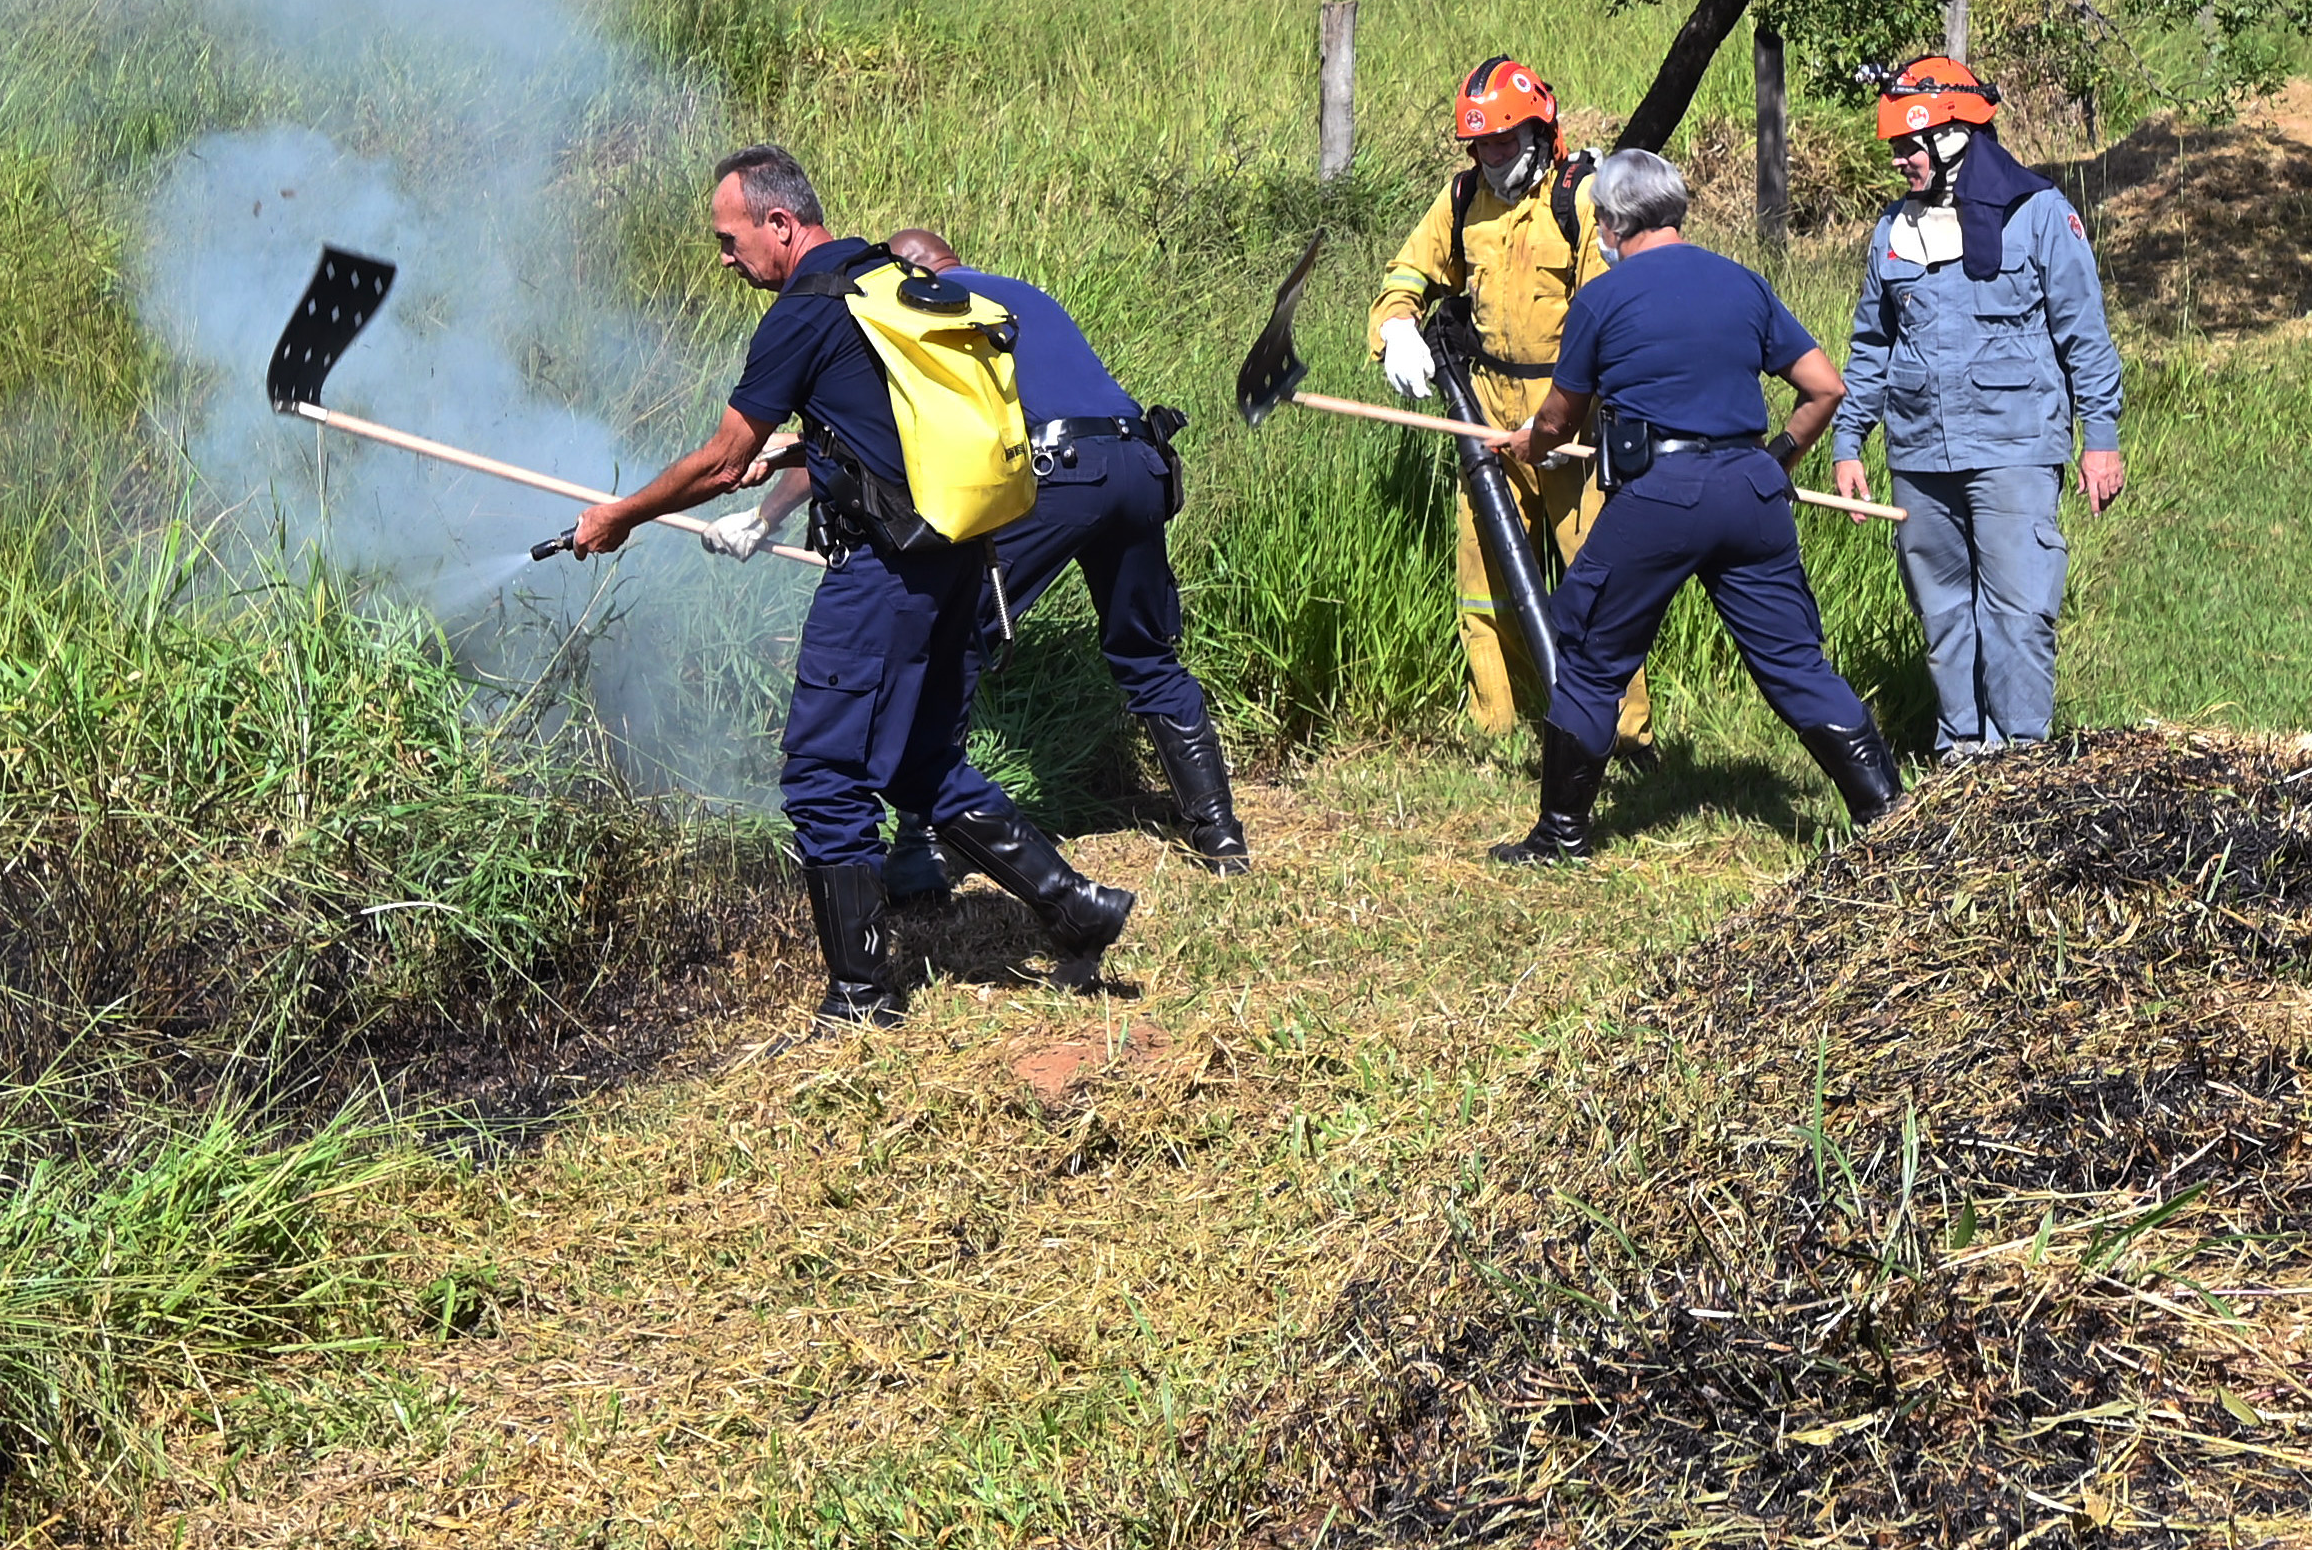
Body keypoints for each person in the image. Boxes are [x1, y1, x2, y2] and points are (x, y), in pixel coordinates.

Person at [568, 147, 1135, 1028]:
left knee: (823, 775)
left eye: (730, 239)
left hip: (886, 568)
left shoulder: (803, 312)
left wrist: (622, 516)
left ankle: (865, 993)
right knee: (915, 760)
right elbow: (882, 423)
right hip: (958, 551)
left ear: (780, 224)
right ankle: (1072, 907)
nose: (725, 258)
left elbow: (721, 462)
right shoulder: (887, 281)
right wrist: (807, 457)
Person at [699, 226, 1251, 882]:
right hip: (1138, 460)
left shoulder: (920, 306)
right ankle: (1219, 833)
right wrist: (789, 451)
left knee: (948, 636)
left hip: (1055, 473)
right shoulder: (1020, 294)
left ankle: (923, 849)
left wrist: (765, 517)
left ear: (911, 271)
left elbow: (861, 437)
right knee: (1144, 649)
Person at [1486, 150, 1902, 863]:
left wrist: (1532, 444)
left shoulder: (1603, 298)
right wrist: (1775, 462)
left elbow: (1559, 417)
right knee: (1795, 661)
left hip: (1659, 495)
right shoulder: (1741, 282)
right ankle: (1889, 815)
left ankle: (1560, 835)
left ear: (1613, 221)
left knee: (1590, 655)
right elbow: (1825, 386)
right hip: (1749, 490)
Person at [1827, 54, 2124, 753]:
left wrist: (2100, 438)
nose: (1899, 159)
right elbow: (1872, 344)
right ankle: (1961, 755)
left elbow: (2086, 335)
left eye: (1909, 143)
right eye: (1895, 145)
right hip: (1920, 454)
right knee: (1942, 613)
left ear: (1955, 134)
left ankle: (2019, 764)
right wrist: (1849, 440)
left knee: (2018, 611)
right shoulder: (1894, 231)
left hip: (2015, 448)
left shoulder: (2040, 214)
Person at [1374, 57, 1641, 746]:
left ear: (1538, 130)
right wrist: (1397, 326)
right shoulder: (1464, 199)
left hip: (1572, 415)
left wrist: (1560, 414)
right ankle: (1502, 725)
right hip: (1486, 411)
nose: (1491, 158)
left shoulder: (1581, 199)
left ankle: (1626, 736)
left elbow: (1611, 316)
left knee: (1599, 582)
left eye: (1503, 142)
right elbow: (1408, 270)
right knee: (1483, 578)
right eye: (1480, 145)